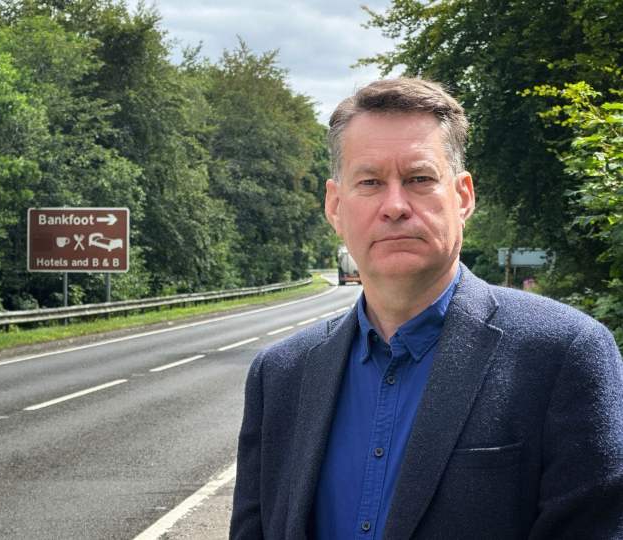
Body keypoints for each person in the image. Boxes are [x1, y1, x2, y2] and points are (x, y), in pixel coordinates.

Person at [229, 78, 623, 540]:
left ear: (462, 197)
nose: (394, 206)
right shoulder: (278, 376)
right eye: (370, 182)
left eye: (419, 179)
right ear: (335, 206)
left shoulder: (564, 355)